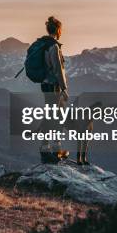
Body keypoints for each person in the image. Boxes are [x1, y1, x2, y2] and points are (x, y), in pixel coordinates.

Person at [39, 16, 70, 164]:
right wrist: (64, 88)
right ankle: (47, 151)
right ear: (58, 30)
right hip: (53, 86)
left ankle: (55, 149)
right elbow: (58, 68)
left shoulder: (44, 45)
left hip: (46, 84)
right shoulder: (54, 46)